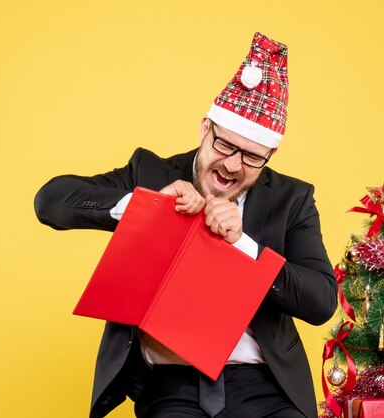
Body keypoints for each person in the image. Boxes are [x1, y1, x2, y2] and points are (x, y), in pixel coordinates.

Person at [34, 32, 338, 418]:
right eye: (225, 145)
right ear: (204, 128)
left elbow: (320, 301)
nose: (231, 165)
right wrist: (148, 207)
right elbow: (51, 202)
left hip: (265, 386)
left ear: (269, 155)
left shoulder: (291, 199)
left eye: (251, 157)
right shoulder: (150, 171)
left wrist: (243, 244)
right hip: (171, 385)